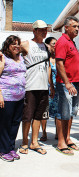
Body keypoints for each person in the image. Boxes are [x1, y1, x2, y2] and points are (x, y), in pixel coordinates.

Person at [19, 20, 50, 155]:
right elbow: (9, 50)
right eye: (41, 29)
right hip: (30, 86)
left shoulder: (47, 47)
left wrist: (51, 86)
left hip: (43, 86)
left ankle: (34, 142)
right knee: (27, 116)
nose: (44, 32)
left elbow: (49, 65)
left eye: (46, 29)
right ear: (34, 30)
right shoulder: (26, 44)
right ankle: (24, 142)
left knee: (38, 116)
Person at [55, 16, 79, 155]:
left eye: (78, 26)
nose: (77, 29)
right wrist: (67, 83)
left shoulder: (71, 42)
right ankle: (61, 142)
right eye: (74, 26)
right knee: (63, 113)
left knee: (71, 112)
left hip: (75, 82)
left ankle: (67, 138)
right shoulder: (62, 41)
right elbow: (59, 63)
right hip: (66, 83)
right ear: (66, 27)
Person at [0, 35, 26, 162]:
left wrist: (20, 47)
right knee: (5, 124)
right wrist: (0, 95)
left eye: (18, 44)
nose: (16, 46)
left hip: (20, 96)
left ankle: (10, 147)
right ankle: (3, 150)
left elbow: (26, 47)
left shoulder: (20, 57)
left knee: (15, 123)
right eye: (13, 44)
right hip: (7, 96)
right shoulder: (2, 58)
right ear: (7, 46)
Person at [40, 37, 57, 142]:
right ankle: (44, 132)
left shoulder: (60, 58)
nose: (55, 45)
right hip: (46, 87)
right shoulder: (45, 58)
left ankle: (57, 132)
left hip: (58, 88)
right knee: (44, 111)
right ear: (47, 45)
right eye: (53, 43)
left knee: (57, 111)